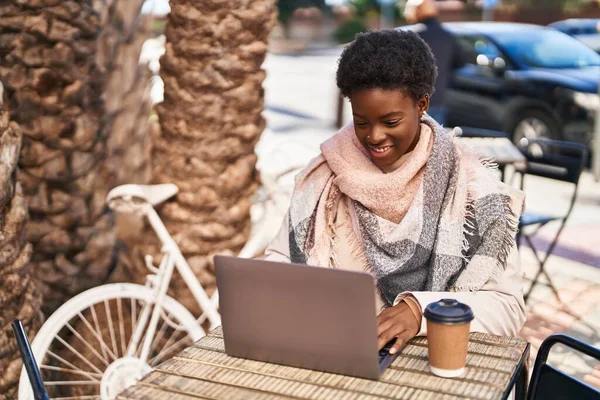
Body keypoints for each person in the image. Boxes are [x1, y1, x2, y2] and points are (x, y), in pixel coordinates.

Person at [265, 29, 526, 355]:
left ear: (422, 105)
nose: (374, 136)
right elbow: (280, 258)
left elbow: (507, 307)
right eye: (362, 122)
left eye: (390, 122)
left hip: (428, 364)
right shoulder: (325, 175)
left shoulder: (473, 190)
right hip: (337, 354)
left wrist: (421, 311)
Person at [403, 0, 466, 125]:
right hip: (438, 98)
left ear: (416, 11)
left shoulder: (411, 35)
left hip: (411, 100)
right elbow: (460, 62)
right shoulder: (447, 35)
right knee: (436, 139)